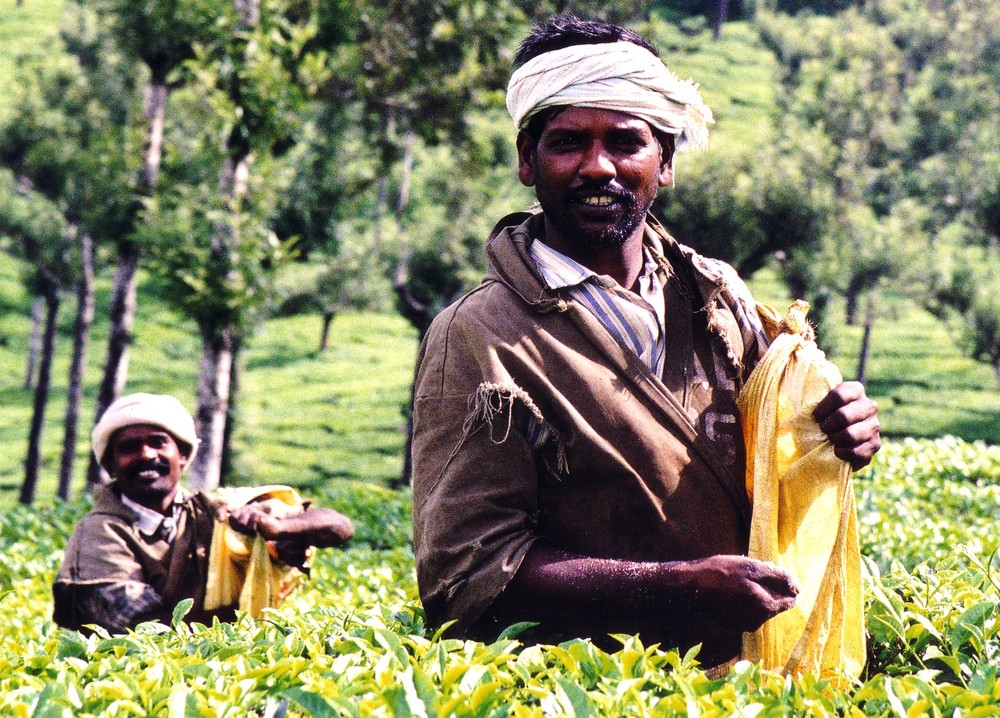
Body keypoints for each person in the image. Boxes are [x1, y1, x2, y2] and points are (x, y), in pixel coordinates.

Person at [410, 16, 881, 671]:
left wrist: (836, 433)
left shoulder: (717, 300)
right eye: (567, 141)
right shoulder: (481, 336)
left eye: (626, 142)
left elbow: (772, 455)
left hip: (742, 691)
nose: (597, 166)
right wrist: (679, 586)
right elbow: (466, 579)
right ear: (527, 158)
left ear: (665, 162)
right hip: (585, 696)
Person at [53, 392, 354, 634]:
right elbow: (146, 631)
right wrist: (239, 628)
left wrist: (278, 528)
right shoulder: (99, 533)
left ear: (182, 455)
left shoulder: (215, 510)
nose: (146, 455)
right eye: (129, 448)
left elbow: (338, 527)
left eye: (158, 442)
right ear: (111, 465)